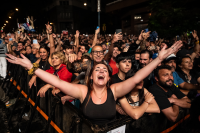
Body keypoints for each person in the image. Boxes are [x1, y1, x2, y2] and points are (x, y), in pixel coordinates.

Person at [6, 40, 183, 125]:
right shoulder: (83, 91)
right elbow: (56, 81)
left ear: (108, 77)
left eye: (104, 70)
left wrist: (157, 59)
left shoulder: (114, 90)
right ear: (91, 76)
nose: (100, 71)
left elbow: (137, 78)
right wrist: (32, 68)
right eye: (97, 69)